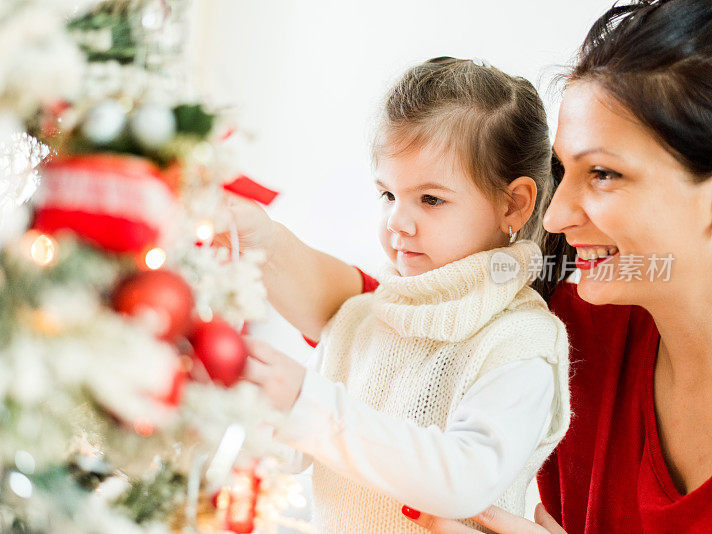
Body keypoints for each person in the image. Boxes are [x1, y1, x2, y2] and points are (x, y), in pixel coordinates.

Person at [226, 1, 712, 532]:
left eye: (603, 174)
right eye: (564, 170)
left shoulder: (537, 337)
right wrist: (255, 236)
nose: (554, 216)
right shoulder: (582, 309)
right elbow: (374, 315)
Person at [219, 57, 571, 533]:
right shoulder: (359, 320)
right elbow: (288, 449)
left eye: (430, 199)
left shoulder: (522, 339)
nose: (397, 224)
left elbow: (465, 479)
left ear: (513, 204)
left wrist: (307, 402)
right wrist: (234, 394)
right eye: (388, 194)